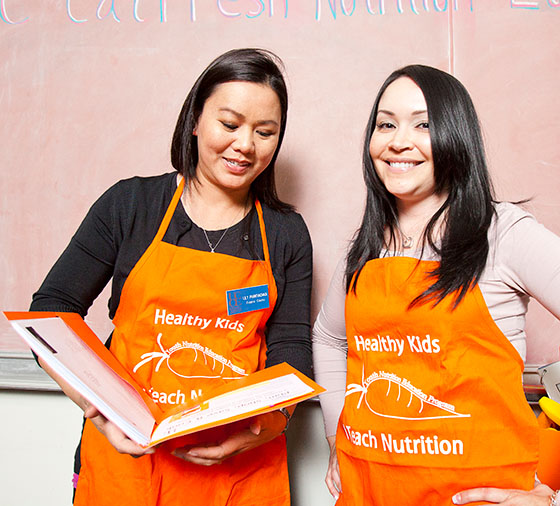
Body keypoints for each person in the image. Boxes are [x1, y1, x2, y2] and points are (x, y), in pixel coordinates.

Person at [30, 48, 313, 506]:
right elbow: (51, 312)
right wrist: (94, 407)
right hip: (127, 461)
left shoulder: (285, 233)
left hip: (240, 472)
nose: (246, 145)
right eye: (230, 124)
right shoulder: (131, 205)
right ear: (195, 121)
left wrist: (264, 428)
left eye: (266, 132)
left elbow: (292, 351)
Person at [312, 64, 560, 505]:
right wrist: (335, 437)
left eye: (423, 124)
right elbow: (330, 338)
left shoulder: (503, 233)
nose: (398, 141)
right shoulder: (366, 246)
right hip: (367, 492)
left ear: (456, 136)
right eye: (385, 124)